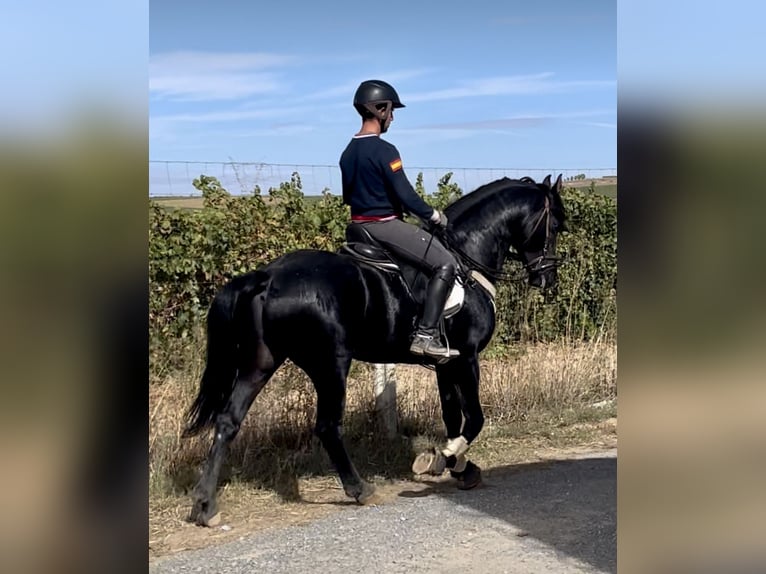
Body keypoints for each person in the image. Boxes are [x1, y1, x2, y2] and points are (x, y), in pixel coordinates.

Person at [339, 79, 459, 360]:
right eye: (391, 110)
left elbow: (348, 196)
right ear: (380, 110)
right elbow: (406, 196)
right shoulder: (385, 151)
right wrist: (434, 215)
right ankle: (426, 335)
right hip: (384, 225)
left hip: (356, 228)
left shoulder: (347, 153)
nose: (392, 117)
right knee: (445, 263)